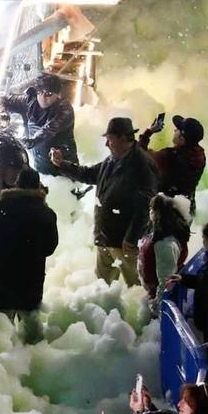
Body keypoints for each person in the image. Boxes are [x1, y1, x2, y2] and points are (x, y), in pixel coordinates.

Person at [50, 115, 159, 287]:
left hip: (125, 243)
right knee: (103, 285)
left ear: (123, 138)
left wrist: (131, 238)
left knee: (137, 285)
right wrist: (61, 164)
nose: (107, 144)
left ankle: (144, 313)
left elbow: (145, 206)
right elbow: (89, 174)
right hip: (106, 237)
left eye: (110, 139)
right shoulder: (112, 160)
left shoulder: (142, 165)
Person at [0, 166, 59, 338]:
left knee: (3, 333)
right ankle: (33, 361)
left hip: (2, 277)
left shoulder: (0, 207)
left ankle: (5, 362)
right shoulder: (46, 213)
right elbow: (50, 246)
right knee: (31, 330)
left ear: (17, 184)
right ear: (37, 186)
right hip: (30, 280)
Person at [1, 73, 77, 173]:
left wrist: (31, 140)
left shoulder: (64, 109)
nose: (43, 97)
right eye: (40, 92)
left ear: (57, 94)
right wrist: (0, 109)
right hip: (41, 167)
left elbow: (49, 129)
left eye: (49, 94)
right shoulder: (30, 101)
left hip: (64, 171)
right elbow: (5, 101)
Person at [139, 113, 206, 209]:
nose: (175, 130)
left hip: (166, 211)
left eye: (177, 129)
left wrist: (149, 132)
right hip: (187, 209)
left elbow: (138, 155)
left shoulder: (168, 156)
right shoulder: (200, 156)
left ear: (182, 138)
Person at [138, 191, 190, 304]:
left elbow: (166, 280)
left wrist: (158, 306)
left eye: (152, 209)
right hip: (152, 292)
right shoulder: (162, 233)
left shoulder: (165, 243)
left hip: (158, 297)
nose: (150, 212)